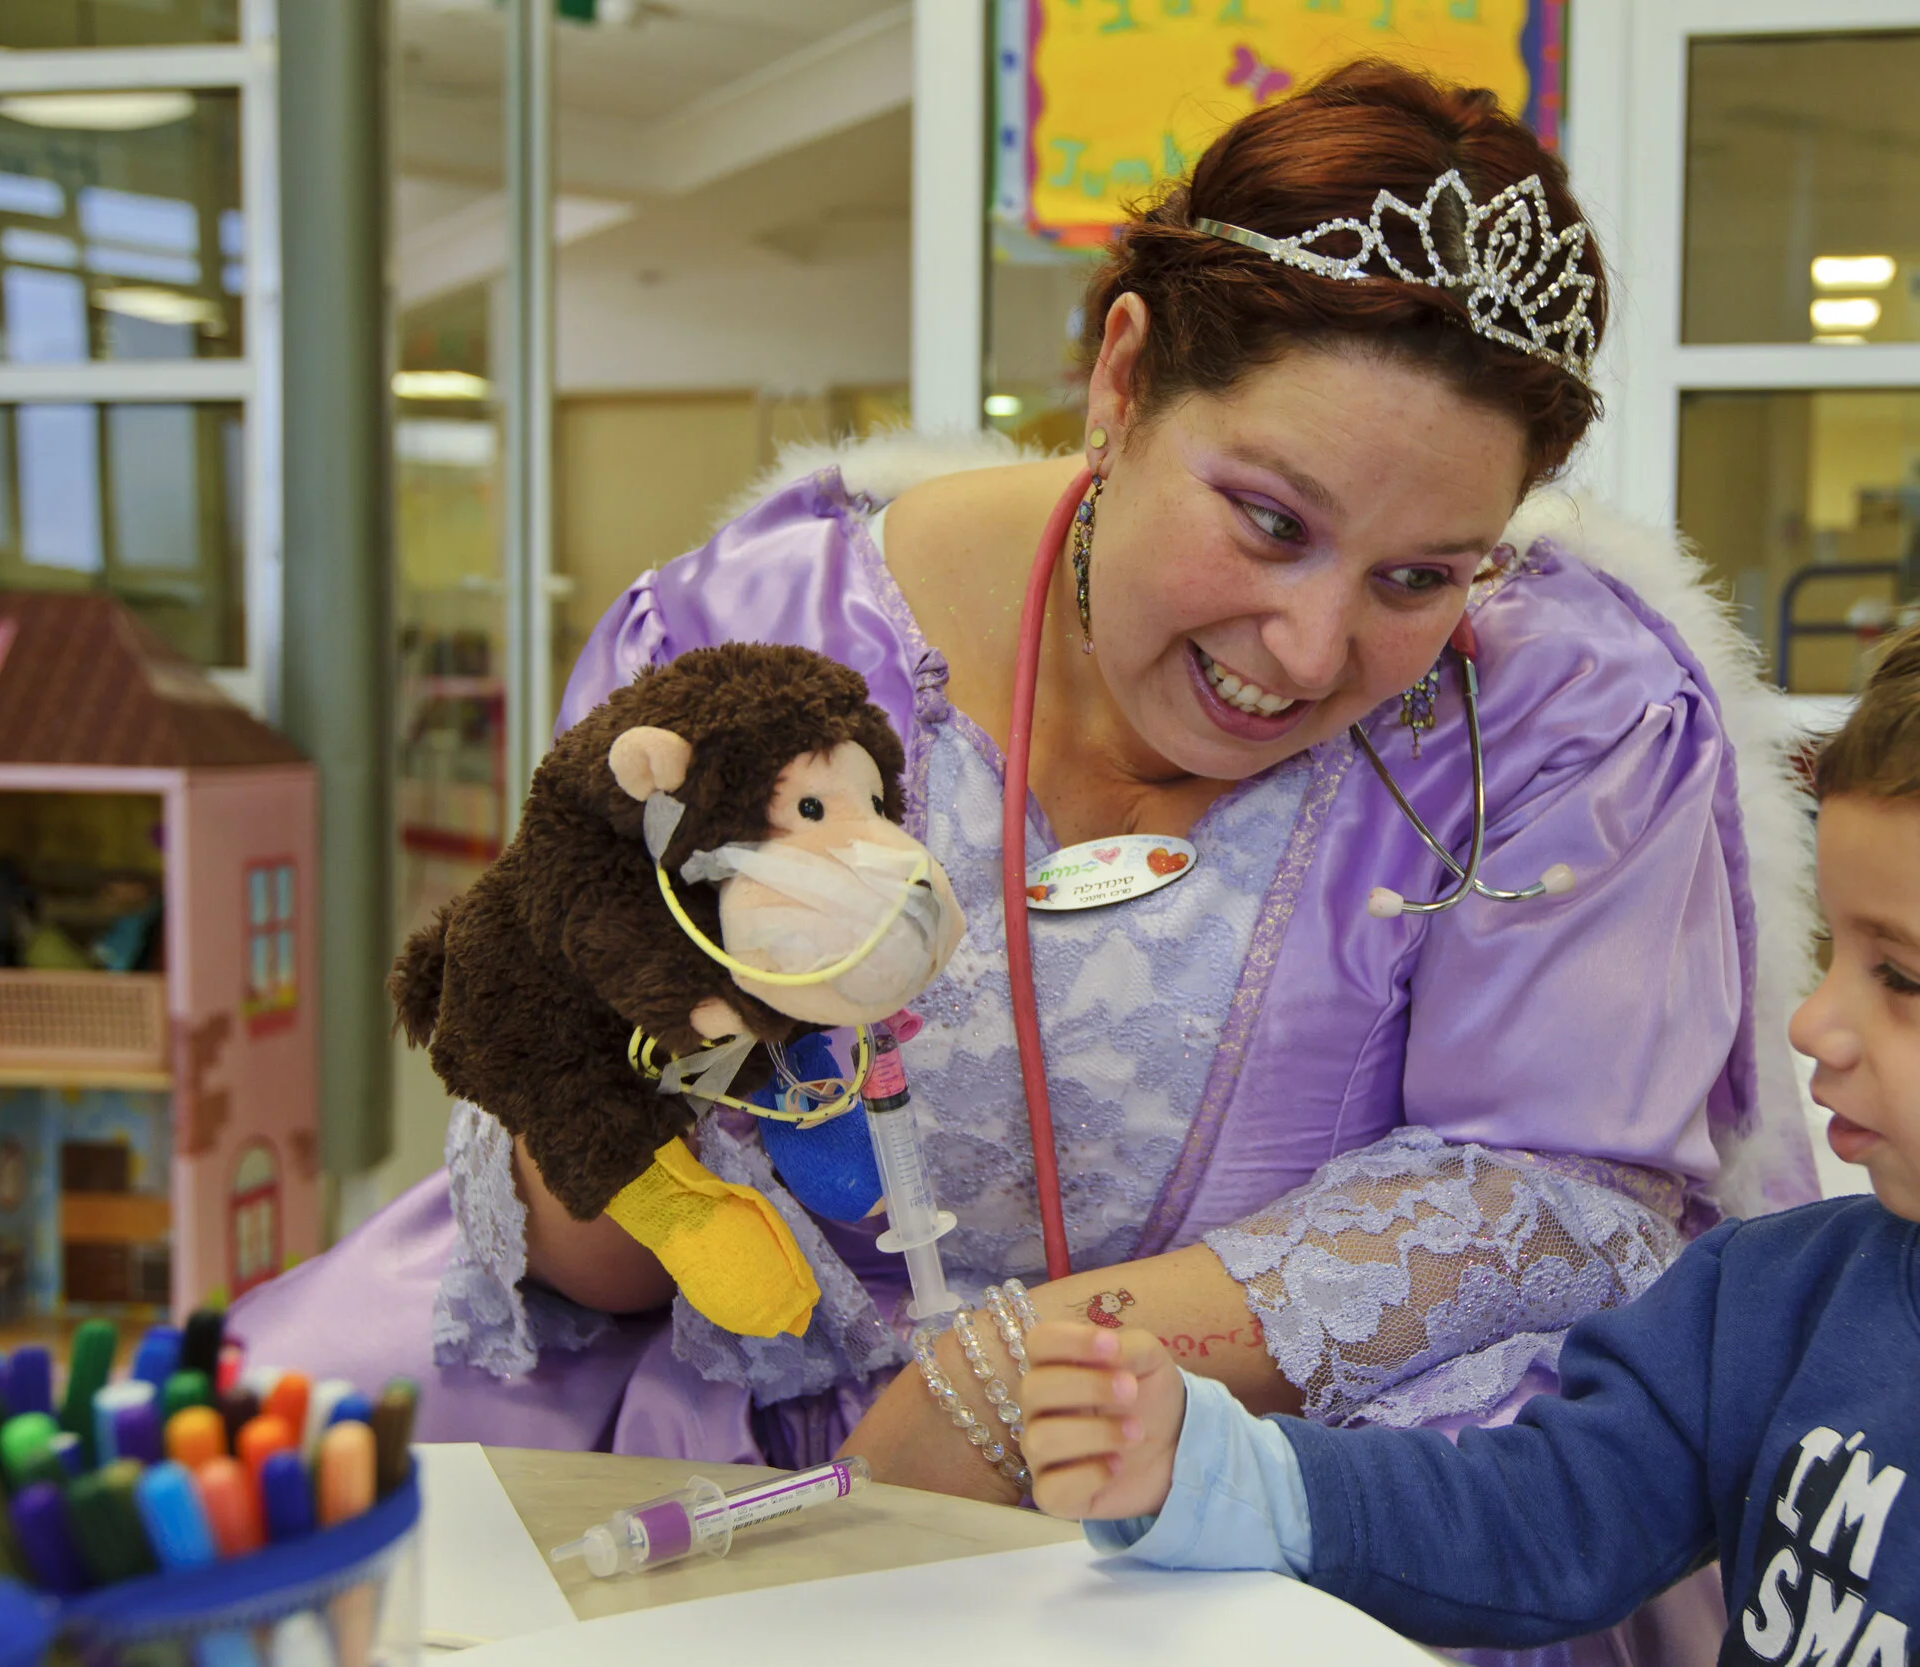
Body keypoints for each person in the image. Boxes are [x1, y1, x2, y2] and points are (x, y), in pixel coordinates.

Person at [230, 61, 1817, 1660]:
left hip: (1307, 1479)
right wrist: (619, 1083)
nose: (1314, 643)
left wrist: (1015, 1384)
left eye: (1421, 573)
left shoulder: (1563, 709)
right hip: (761, 1453)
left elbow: (1559, 1187)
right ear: (1122, 377)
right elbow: (594, 1231)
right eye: (1270, 520)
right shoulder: (748, 638)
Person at [1020, 554, 1920, 1663]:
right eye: (1832, 950)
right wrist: (1221, 1469)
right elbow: (1535, 1521)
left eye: (1904, 978)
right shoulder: (1772, 1301)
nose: (1814, 1024)